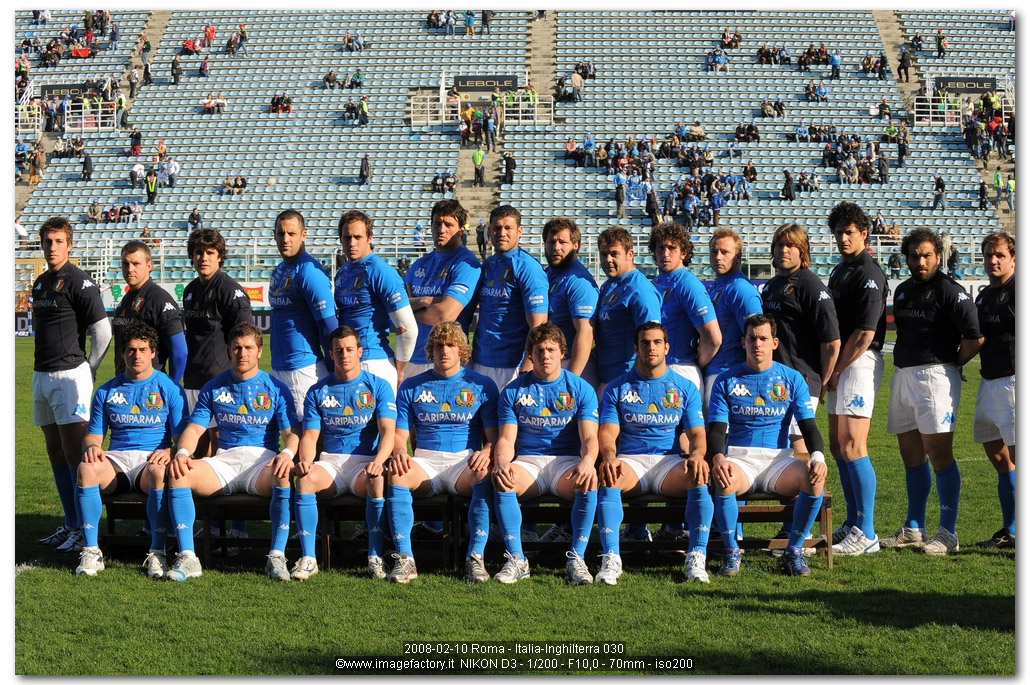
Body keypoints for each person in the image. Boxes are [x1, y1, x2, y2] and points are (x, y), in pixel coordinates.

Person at [164, 322, 300, 581]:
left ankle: (277, 555)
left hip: (261, 462)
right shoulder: (214, 386)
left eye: (248, 347)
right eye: (236, 347)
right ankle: (188, 557)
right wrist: (182, 453)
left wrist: (287, 454)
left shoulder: (276, 388)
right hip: (224, 461)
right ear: (229, 350)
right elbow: (194, 429)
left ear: (259, 351)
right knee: (179, 473)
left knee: (283, 474)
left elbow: (291, 434)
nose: (242, 353)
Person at [883, 228, 981, 555]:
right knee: (911, 456)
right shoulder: (903, 290)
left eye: (926, 255)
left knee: (939, 455)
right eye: (914, 256)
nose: (920, 262)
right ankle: (914, 528)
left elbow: (975, 336)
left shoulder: (950, 290)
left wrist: (954, 363)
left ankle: (948, 533)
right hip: (902, 375)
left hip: (935, 377)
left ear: (938, 256)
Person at [708, 314, 829, 577]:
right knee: (723, 478)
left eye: (763, 338)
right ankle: (732, 551)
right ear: (743, 342)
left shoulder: (792, 378)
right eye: (752, 338)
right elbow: (716, 430)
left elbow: (809, 426)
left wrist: (818, 457)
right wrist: (718, 458)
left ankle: (794, 549)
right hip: (740, 459)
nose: (757, 344)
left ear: (774, 342)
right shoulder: (726, 380)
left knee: (814, 479)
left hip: (778, 461)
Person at [595, 322, 709, 584]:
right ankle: (611, 558)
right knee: (610, 475)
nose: (651, 348)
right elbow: (607, 433)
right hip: (631, 461)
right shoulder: (617, 387)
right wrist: (609, 456)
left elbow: (697, 434)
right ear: (636, 348)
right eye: (645, 343)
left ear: (667, 347)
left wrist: (697, 455)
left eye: (657, 342)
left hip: (668, 462)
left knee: (699, 476)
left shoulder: (684, 387)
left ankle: (696, 557)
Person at [73, 322, 189, 577]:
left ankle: (157, 553)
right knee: (86, 468)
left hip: (151, 461)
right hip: (117, 461)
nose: (137, 355)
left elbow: (183, 439)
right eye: (131, 350)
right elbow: (93, 435)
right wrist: (91, 447)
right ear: (123, 353)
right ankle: (91, 551)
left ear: (153, 352)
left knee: (159, 472)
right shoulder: (107, 390)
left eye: (143, 350)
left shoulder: (170, 388)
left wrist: (171, 451)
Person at [387, 321, 499, 582]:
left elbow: (495, 439)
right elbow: (399, 434)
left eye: (450, 345)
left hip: (464, 463)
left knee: (484, 473)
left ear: (462, 350)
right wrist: (400, 451)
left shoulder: (482, 385)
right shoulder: (411, 386)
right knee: (397, 474)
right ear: (431, 350)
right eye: (438, 345)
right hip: (425, 462)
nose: (444, 351)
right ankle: (405, 559)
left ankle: (475, 558)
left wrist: (487, 452)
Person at [489, 322, 600, 584]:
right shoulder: (514, 390)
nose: (545, 356)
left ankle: (576, 559)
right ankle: (517, 559)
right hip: (528, 462)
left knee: (589, 481)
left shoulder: (581, 388)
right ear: (530, 354)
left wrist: (588, 461)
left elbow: (589, 437)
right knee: (503, 480)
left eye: (551, 350)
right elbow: (506, 439)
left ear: (562, 352)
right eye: (539, 350)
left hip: (566, 462)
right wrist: (502, 461)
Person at [291, 326, 397, 580]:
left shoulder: (378, 386)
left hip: (365, 464)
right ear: (331, 354)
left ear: (360, 352)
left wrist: (379, 461)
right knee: (304, 479)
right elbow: (310, 436)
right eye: (338, 350)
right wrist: (305, 461)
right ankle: (309, 558)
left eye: (349, 349)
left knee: (377, 479)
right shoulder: (317, 390)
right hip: (331, 464)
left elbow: (388, 432)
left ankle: (374, 556)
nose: (344, 355)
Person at [32, 217, 112, 553]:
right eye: (47, 242)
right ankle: (70, 523)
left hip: (69, 375)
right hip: (41, 374)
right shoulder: (40, 283)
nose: (52, 247)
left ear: (69, 245)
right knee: (54, 451)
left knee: (75, 453)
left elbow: (102, 330)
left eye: (58, 241)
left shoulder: (80, 281)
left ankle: (84, 527)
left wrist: (89, 368)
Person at [823, 202, 887, 556]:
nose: (843, 239)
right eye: (838, 233)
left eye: (849, 232)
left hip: (858, 362)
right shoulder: (840, 271)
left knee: (852, 445)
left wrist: (836, 369)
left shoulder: (869, 273)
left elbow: (865, 333)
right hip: (842, 364)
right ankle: (852, 522)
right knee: (837, 445)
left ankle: (867, 532)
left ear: (864, 233)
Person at [761, 222, 840, 451]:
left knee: (799, 444)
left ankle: (811, 477)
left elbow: (831, 342)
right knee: (775, 445)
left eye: (790, 245)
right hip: (773, 379)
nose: (783, 250)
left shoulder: (811, 285)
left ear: (802, 251)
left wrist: (822, 382)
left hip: (802, 380)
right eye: (779, 245)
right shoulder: (771, 286)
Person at [182, 229, 254, 462]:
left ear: (220, 256)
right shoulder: (190, 291)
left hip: (220, 379)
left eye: (210, 252)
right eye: (198, 252)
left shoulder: (229, 290)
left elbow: (246, 336)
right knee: (198, 446)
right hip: (192, 378)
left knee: (221, 444)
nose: (203, 258)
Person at [334, 210, 417, 394]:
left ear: (369, 237)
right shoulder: (342, 273)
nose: (352, 243)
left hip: (374, 362)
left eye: (358, 237)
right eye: (347, 237)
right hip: (346, 362)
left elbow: (407, 328)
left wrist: (400, 370)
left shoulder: (381, 271)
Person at [269, 209, 339, 418]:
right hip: (279, 367)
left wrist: (334, 368)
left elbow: (329, 326)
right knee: (286, 431)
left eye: (291, 233)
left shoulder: (309, 272)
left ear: (304, 235)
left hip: (303, 369)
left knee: (309, 431)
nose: (285, 239)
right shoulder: (279, 270)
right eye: (281, 233)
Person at [470, 205, 548, 392]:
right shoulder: (487, 265)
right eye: (497, 228)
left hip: (512, 366)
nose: (501, 233)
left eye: (508, 228)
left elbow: (539, 324)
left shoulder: (528, 267)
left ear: (520, 231)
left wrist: (528, 366)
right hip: (480, 361)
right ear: (490, 231)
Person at [403, 200, 481, 379]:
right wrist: (427, 301)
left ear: (461, 230)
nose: (441, 229)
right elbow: (397, 307)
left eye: (448, 224)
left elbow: (443, 315)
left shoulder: (467, 265)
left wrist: (412, 307)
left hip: (449, 361)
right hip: (412, 358)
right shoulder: (419, 264)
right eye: (437, 223)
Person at [973, 232, 1015, 549]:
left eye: (999, 255)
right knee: (998, 456)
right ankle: (1011, 529)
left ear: (1013, 258)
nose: (993, 260)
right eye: (988, 255)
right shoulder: (984, 296)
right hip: (987, 382)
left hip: (1014, 382)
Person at [648, 223, 720, 394]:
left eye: (672, 248)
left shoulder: (688, 284)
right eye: (661, 248)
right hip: (653, 370)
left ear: (684, 253)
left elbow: (713, 338)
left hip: (679, 368)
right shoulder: (653, 284)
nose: (665, 253)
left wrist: (695, 364)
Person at [594, 226, 663, 391]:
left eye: (614, 254)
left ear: (630, 254)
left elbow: (651, 341)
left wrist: (632, 383)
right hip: (606, 376)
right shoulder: (608, 285)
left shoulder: (641, 290)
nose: (608, 259)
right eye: (604, 254)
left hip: (627, 381)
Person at [111, 241, 187, 383]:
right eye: (126, 264)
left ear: (149, 266)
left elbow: (180, 352)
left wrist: (172, 385)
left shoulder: (159, 299)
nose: (130, 269)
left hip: (151, 386)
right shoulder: (126, 300)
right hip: (124, 384)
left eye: (136, 264)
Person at [705, 228, 763, 406]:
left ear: (738, 257)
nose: (718, 257)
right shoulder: (717, 286)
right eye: (714, 252)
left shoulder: (742, 289)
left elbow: (758, 336)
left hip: (732, 374)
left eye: (724, 252)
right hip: (714, 371)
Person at [543, 217, 598, 383]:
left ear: (576, 245)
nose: (556, 247)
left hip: (570, 365)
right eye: (551, 242)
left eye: (562, 242)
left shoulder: (579, 281)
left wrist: (571, 380)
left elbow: (585, 333)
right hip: (549, 361)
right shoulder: (549, 273)